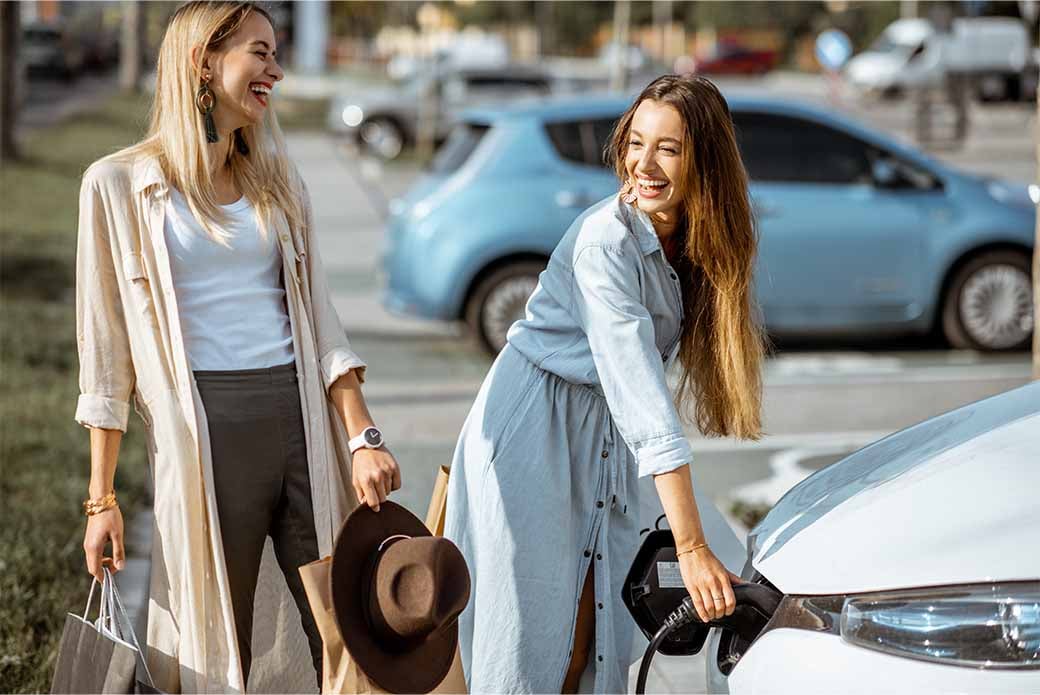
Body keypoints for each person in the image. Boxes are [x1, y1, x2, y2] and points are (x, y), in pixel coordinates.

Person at [76, 3, 400, 692]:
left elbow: (320, 320)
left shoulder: (279, 183)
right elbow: (105, 358)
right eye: (260, 52)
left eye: (276, 54)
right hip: (206, 433)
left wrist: (361, 435)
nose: (275, 71)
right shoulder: (118, 186)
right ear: (204, 61)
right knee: (219, 639)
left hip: (298, 419)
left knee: (343, 623)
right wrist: (100, 498)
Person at [443, 74, 766, 694]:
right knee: (538, 640)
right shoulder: (606, 243)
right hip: (533, 432)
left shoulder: (691, 240)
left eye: (668, 149)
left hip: (601, 435)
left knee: (599, 629)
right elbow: (645, 403)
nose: (643, 164)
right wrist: (692, 545)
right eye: (635, 142)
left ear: (705, 161)